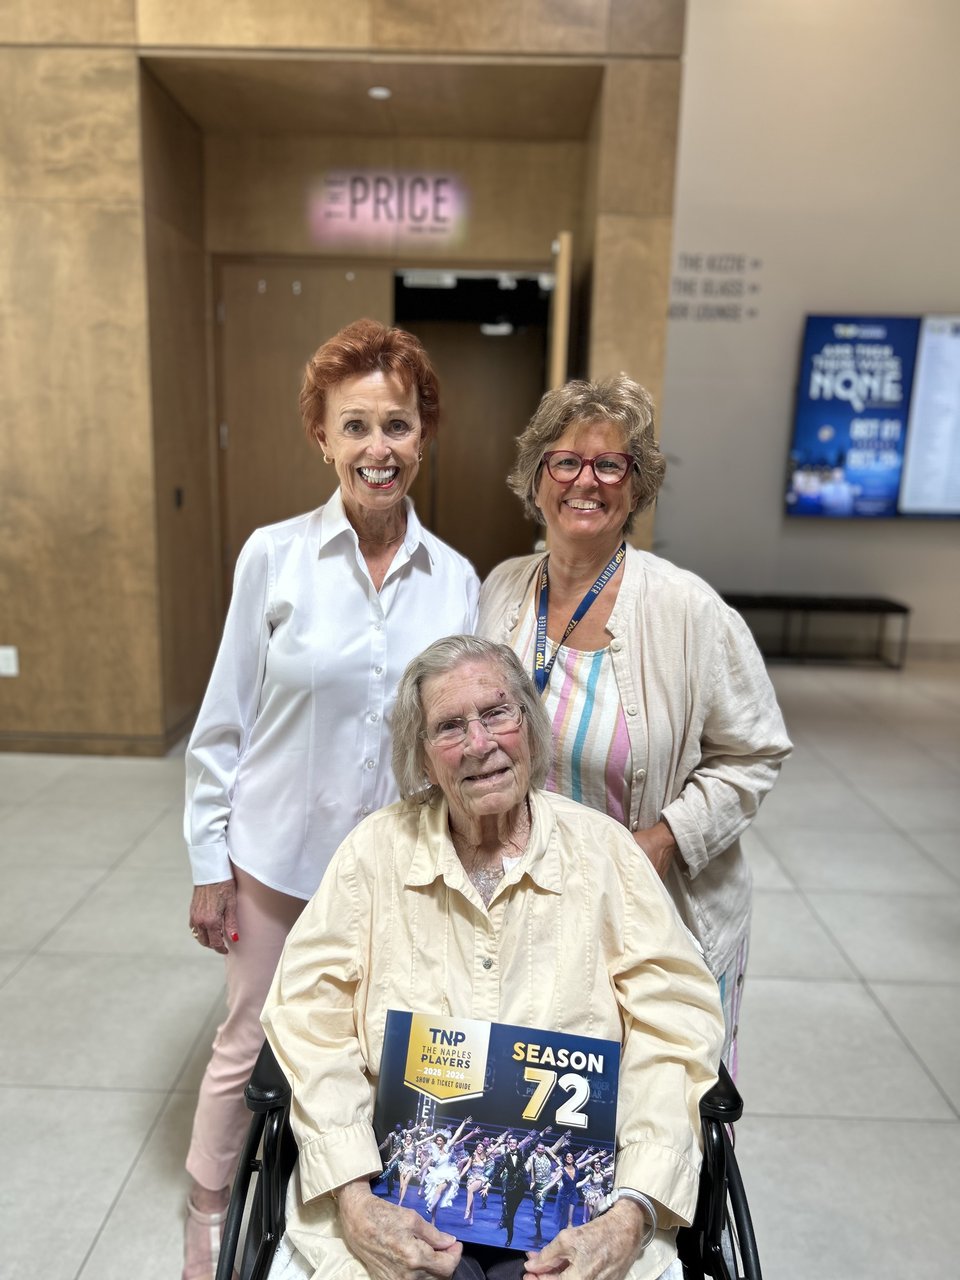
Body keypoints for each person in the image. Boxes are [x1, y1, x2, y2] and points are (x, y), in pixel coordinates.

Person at [261, 635, 724, 1280]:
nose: (481, 743)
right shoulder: (373, 855)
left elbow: (675, 1029)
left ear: (529, 728)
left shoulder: (605, 854)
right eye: (450, 726)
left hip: (581, 1206)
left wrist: (631, 1213)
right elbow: (307, 1017)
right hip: (390, 1195)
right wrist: (354, 1195)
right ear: (421, 755)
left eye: (497, 713)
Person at [181, 320, 480, 1280]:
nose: (376, 449)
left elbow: (459, 739)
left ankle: (356, 1208)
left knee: (382, 1044)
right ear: (321, 436)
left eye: (396, 424)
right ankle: (207, 1218)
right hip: (275, 856)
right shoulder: (272, 557)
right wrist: (207, 865)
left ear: (423, 434)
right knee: (248, 1037)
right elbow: (222, 723)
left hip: (396, 867)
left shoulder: (457, 581)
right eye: (355, 426)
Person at [478, 376, 791, 1071]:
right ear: (536, 480)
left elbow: (755, 752)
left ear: (635, 485)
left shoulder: (688, 611)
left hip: (652, 913)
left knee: (661, 1110)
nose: (585, 481)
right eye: (565, 461)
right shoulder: (501, 589)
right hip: (534, 909)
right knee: (551, 1110)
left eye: (609, 464)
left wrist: (667, 839)